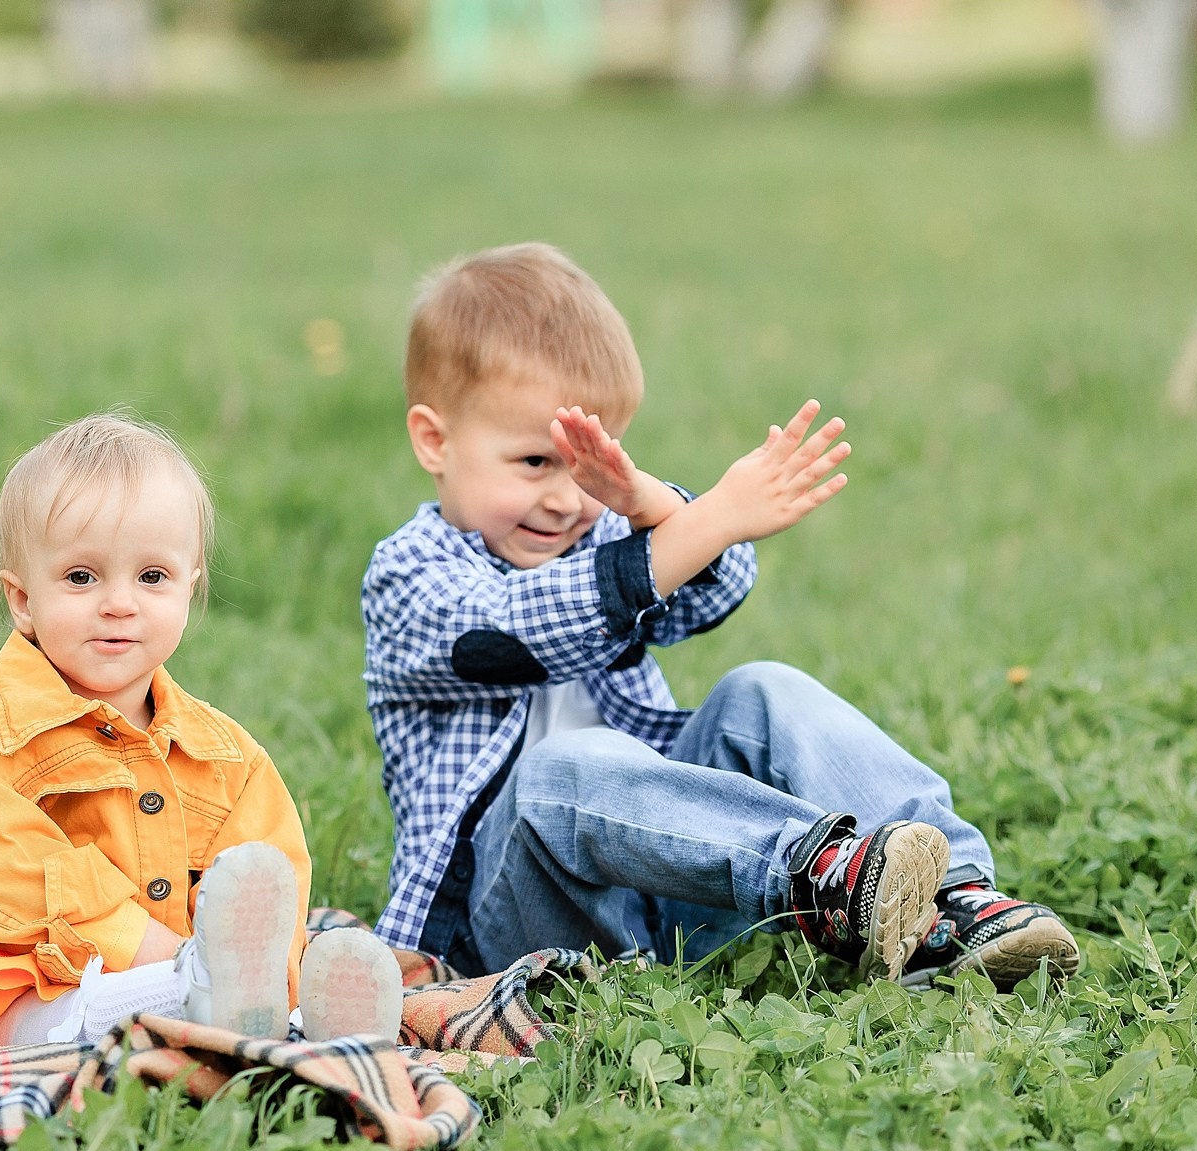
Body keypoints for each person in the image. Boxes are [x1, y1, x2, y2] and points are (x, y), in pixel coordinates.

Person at [361, 242, 1079, 991]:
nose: (568, 500)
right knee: (561, 767)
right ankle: (821, 879)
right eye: (536, 463)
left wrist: (651, 505)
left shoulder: (597, 531)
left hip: (662, 891)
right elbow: (527, 630)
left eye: (588, 464)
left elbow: (714, 592)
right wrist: (708, 520)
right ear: (435, 440)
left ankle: (952, 905)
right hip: (509, 926)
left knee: (763, 688)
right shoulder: (409, 577)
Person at [0, 414, 403, 1048]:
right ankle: (173, 1006)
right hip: (27, 970)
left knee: (255, 931)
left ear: (190, 587)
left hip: (202, 969)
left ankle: (286, 1017)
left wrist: (274, 969)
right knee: (3, 998)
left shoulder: (227, 761)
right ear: (23, 600)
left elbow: (268, 888)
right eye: (82, 577)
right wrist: (161, 954)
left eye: (151, 577)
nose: (119, 604)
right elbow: (4, 870)